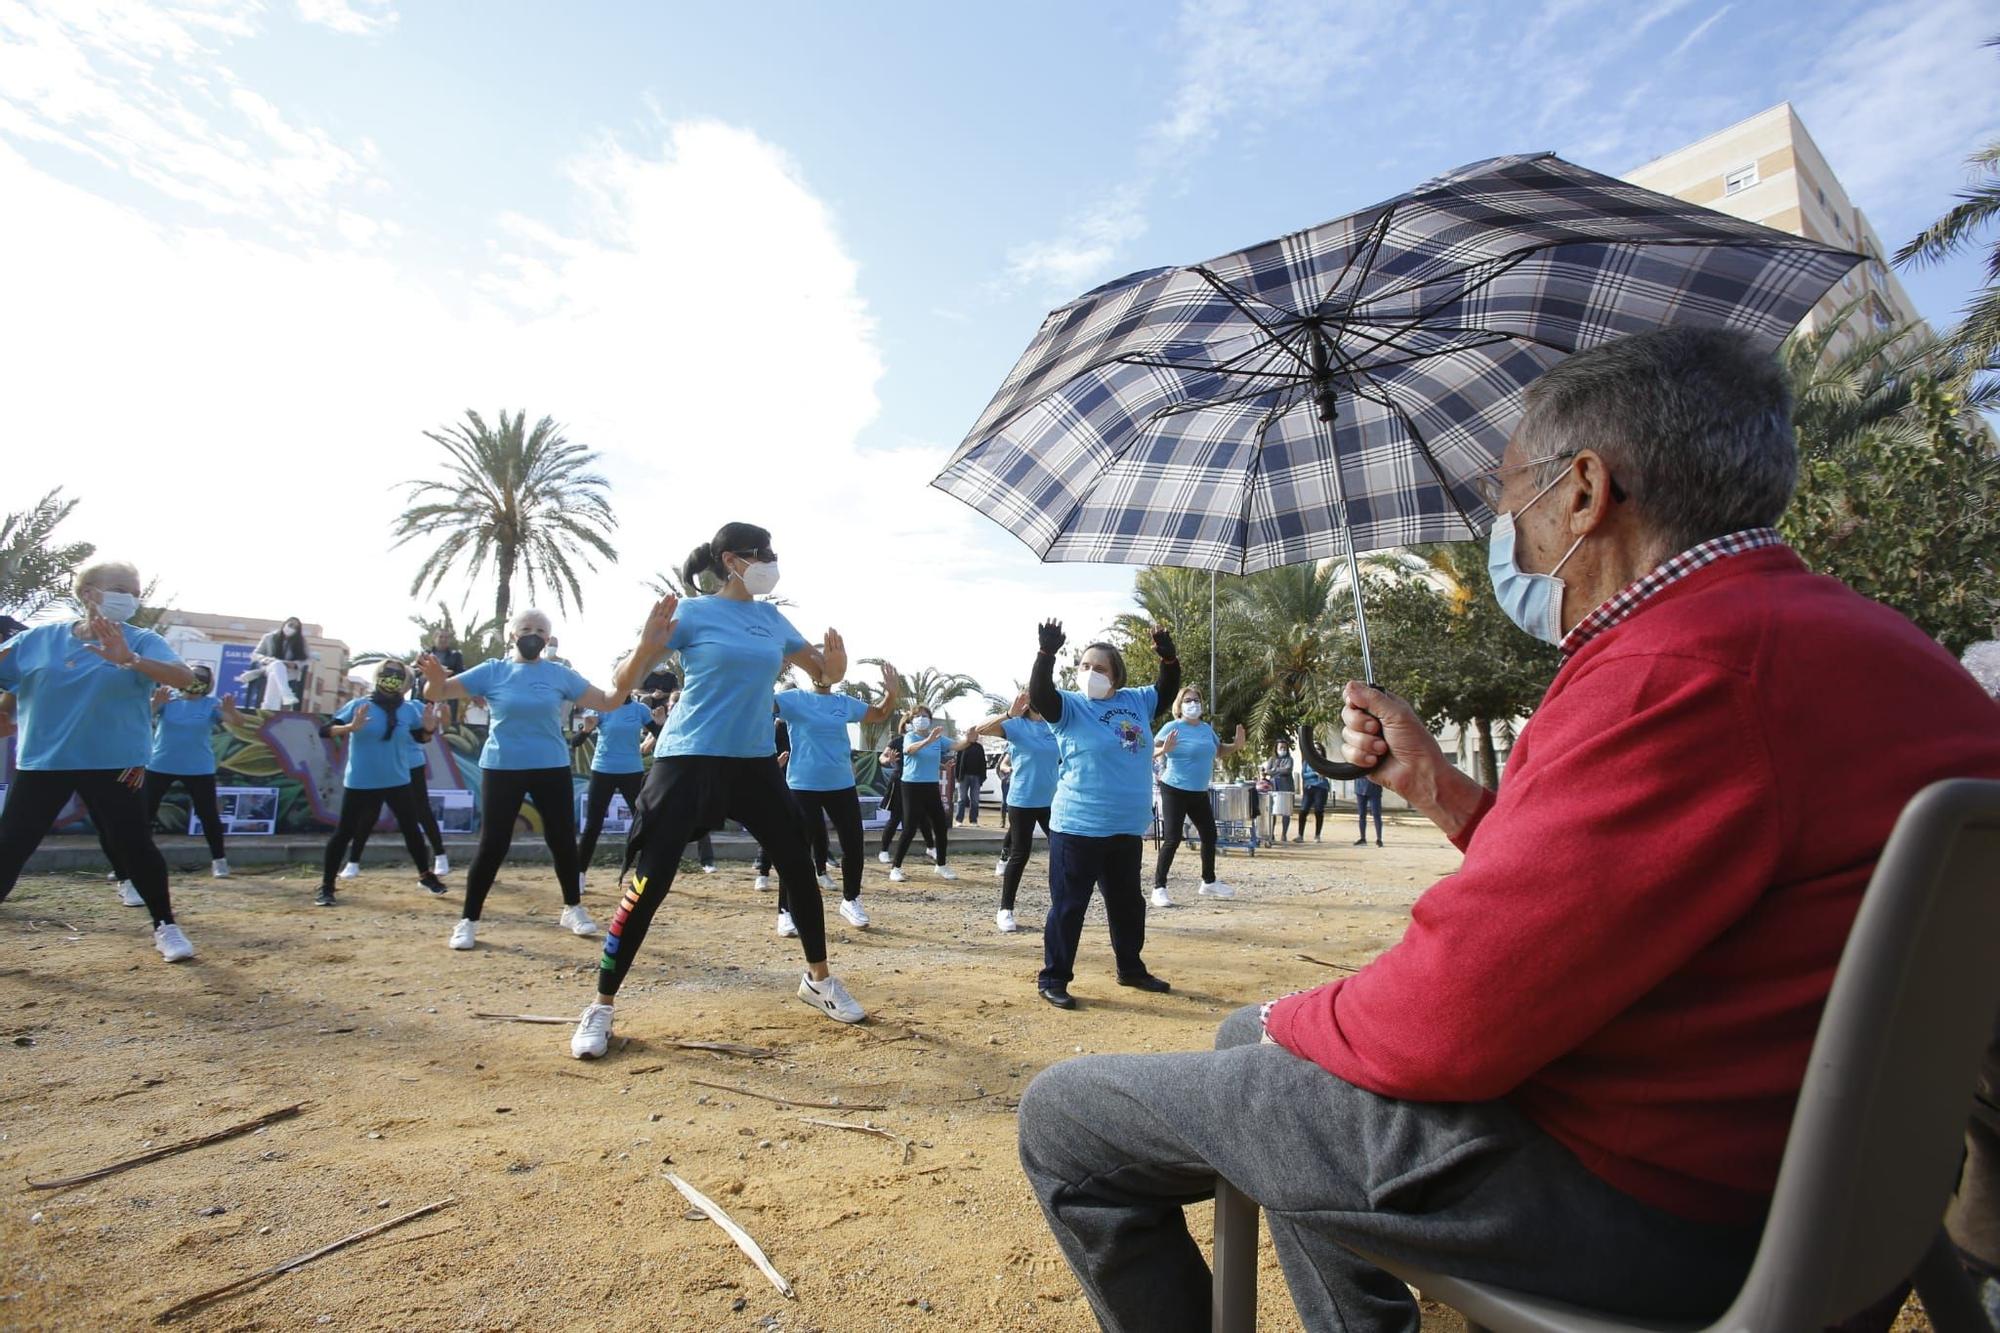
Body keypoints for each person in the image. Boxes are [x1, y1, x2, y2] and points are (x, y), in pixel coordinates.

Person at [1014, 327, 2000, 1331]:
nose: (1502, 521)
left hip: (1650, 1208)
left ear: (1581, 491)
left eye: (1506, 489)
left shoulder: (1676, 672)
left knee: (1071, 1116)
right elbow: (1635, 891)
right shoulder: (1887, 652)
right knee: (1264, 1052)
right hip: (1823, 1190)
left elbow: (1448, 1025)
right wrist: (1441, 788)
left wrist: (1292, 1019)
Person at [570, 521, 866, 1059]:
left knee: (798, 866)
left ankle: (818, 980)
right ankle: (602, 1005)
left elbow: (822, 669)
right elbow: (621, 681)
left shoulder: (772, 619)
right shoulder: (694, 612)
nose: (771, 562)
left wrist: (836, 665)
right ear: (731, 560)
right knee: (650, 880)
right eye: (762, 554)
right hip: (687, 760)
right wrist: (644, 648)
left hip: (753, 763)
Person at [0, 560, 199, 961]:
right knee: (10, 846)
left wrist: (130, 660)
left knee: (133, 844)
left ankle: (167, 927)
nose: (130, 598)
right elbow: (12, 683)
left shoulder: (141, 640)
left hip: (116, 763)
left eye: (135, 591)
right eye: (120, 588)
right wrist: (6, 711)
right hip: (45, 762)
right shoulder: (37, 640)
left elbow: (183, 677)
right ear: (89, 592)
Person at [419, 609, 647, 950]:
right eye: (526, 628)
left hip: (550, 766)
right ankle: (468, 919)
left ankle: (573, 908)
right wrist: (435, 677)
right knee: (493, 844)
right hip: (502, 767)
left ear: (548, 638)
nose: (533, 634)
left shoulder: (560, 675)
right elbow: (436, 693)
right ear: (512, 635)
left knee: (562, 840)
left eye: (541, 629)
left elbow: (609, 700)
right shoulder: (494, 671)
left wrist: (636, 661)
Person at [1030, 621, 1178, 1008]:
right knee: (1069, 906)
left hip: (1126, 827)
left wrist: (1167, 655)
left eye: (1099, 668)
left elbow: (1167, 689)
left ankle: (1131, 969)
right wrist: (1046, 654)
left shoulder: (1136, 701)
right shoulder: (1070, 707)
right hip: (1078, 826)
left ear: (1116, 676)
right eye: (1083, 666)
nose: (1089, 674)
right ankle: (1054, 977)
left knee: (1128, 904)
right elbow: (1040, 694)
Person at [775, 656, 899, 931]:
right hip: (803, 785)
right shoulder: (795, 699)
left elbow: (879, 713)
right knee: (796, 850)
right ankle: (786, 910)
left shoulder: (843, 703)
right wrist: (772, 666)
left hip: (841, 785)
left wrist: (891, 693)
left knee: (853, 845)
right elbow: (761, 703)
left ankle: (851, 899)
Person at [313, 660, 449, 906]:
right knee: (344, 832)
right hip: (361, 782)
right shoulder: (360, 705)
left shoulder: (407, 710)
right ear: (378, 677)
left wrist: (429, 729)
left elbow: (420, 737)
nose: (392, 679)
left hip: (397, 779)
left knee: (411, 829)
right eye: (387, 675)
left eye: (397, 676)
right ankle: (327, 886)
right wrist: (350, 727)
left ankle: (426, 876)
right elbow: (324, 731)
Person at [143, 666, 246, 879]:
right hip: (160, 765)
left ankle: (219, 861)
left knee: (208, 815)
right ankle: (132, 862)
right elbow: (142, 716)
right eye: (192, 677)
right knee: (144, 813)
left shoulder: (210, 705)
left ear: (208, 684)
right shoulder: (168, 699)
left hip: (199, 768)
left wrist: (232, 709)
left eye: (201, 679)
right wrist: (155, 703)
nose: (195, 682)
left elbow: (237, 722)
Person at [966, 692, 1057, 933]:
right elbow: (980, 730)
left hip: (1052, 801)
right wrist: (1009, 713)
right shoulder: (1016, 726)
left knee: (1061, 852)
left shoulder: (1055, 726)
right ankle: (1005, 909)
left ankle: (1062, 906)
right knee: (1020, 854)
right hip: (1023, 800)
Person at [1150, 687, 1247, 905]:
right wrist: (1163, 750)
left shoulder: (1206, 729)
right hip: (1174, 788)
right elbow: (1148, 751)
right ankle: (1159, 888)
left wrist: (1237, 745)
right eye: (1187, 700)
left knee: (1209, 835)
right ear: (1179, 705)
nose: (1192, 704)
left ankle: (1209, 882)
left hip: (1199, 791)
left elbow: (1219, 750)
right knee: (1173, 838)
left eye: (1196, 700)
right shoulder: (1172, 727)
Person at [342, 690, 449, 879]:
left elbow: (430, 733)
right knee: (369, 813)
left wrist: (435, 721)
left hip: (411, 764)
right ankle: (353, 861)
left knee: (421, 810)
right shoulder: (369, 705)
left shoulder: (414, 707)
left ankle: (440, 856)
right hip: (383, 766)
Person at [572, 679, 654, 886]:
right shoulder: (601, 708)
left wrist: (659, 723)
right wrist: (585, 730)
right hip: (603, 771)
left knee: (644, 822)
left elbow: (659, 734)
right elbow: (576, 743)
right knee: (593, 825)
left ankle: (647, 874)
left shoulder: (640, 709)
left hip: (631, 772)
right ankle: (579, 874)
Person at [642, 689, 714, 872]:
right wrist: (658, 728)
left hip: (688, 777)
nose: (672, 710)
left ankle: (707, 861)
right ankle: (658, 861)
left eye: (675, 706)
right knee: (660, 821)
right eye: (670, 706)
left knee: (697, 818)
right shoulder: (661, 725)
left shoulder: (692, 724)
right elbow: (644, 748)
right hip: (662, 778)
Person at [888, 706, 956, 882]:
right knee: (910, 828)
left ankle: (941, 865)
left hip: (931, 786)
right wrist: (929, 740)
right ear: (911, 721)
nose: (921, 719)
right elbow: (910, 750)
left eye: (924, 716)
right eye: (917, 716)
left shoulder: (939, 739)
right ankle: (896, 867)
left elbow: (957, 745)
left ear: (930, 719)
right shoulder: (910, 736)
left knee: (941, 826)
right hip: (911, 786)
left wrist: (970, 739)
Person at [244, 616, 311, 711]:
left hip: (289, 673)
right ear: (285, 624)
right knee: (277, 665)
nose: (292, 629)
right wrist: (269, 660)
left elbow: (307, 659)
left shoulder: (301, 642)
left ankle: (268, 707)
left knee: (274, 675)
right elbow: (255, 654)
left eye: (295, 627)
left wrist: (295, 664)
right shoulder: (269, 638)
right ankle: (286, 694)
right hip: (268, 667)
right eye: (290, 625)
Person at [415, 627, 465, 723]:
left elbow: (460, 674)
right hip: (426, 695)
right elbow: (415, 671)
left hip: (447, 695)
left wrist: (444, 673)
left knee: (446, 725)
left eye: (446, 637)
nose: (443, 639)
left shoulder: (456, 656)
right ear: (435, 638)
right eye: (441, 637)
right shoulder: (425, 655)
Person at [1263, 738, 1296, 842]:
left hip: (1286, 788)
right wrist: (1275, 771)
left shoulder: (1289, 759)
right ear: (1276, 749)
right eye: (1281, 747)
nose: (1283, 749)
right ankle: (1271, 834)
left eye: (1284, 747)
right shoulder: (1272, 759)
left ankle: (1284, 834)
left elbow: (1287, 770)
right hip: (1274, 787)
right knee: (1272, 812)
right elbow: (1267, 771)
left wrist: (1274, 771)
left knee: (1286, 812)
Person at [953, 732, 987, 825]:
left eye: (977, 735)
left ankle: (973, 820)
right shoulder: (962, 746)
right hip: (963, 776)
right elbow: (958, 763)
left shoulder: (979, 747)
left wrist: (983, 777)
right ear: (968, 735)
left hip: (976, 776)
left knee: (975, 800)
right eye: (973, 735)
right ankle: (959, 820)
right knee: (962, 799)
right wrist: (957, 777)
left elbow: (983, 762)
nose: (976, 737)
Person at [1299, 763, 1331, 841]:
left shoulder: (1324, 762)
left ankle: (1317, 835)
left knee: (1318, 811)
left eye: (1319, 750)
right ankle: (1300, 835)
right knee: (1303, 811)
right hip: (1309, 787)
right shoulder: (1307, 762)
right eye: (1316, 750)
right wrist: (1315, 773)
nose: (1318, 751)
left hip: (1321, 787)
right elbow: (1304, 775)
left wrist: (1323, 774)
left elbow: (1329, 773)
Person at [1353, 771, 1384, 846]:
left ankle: (1379, 839)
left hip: (1374, 790)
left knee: (1376, 815)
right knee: (1362, 815)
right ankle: (1363, 838)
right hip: (1360, 789)